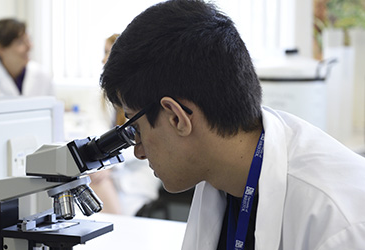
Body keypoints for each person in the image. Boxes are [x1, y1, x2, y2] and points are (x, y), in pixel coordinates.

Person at [100, 0, 365, 249]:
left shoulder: (340, 221)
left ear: (176, 118)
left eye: (136, 130)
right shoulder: (218, 172)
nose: (138, 151)